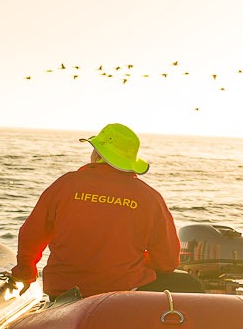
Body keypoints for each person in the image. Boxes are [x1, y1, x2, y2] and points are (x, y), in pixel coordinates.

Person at [12, 123, 185, 299]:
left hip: (61, 293)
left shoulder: (65, 185)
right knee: (190, 283)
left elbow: (31, 234)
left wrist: (25, 271)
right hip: (122, 296)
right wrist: (136, 260)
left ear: (97, 154)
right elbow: (168, 261)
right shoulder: (149, 197)